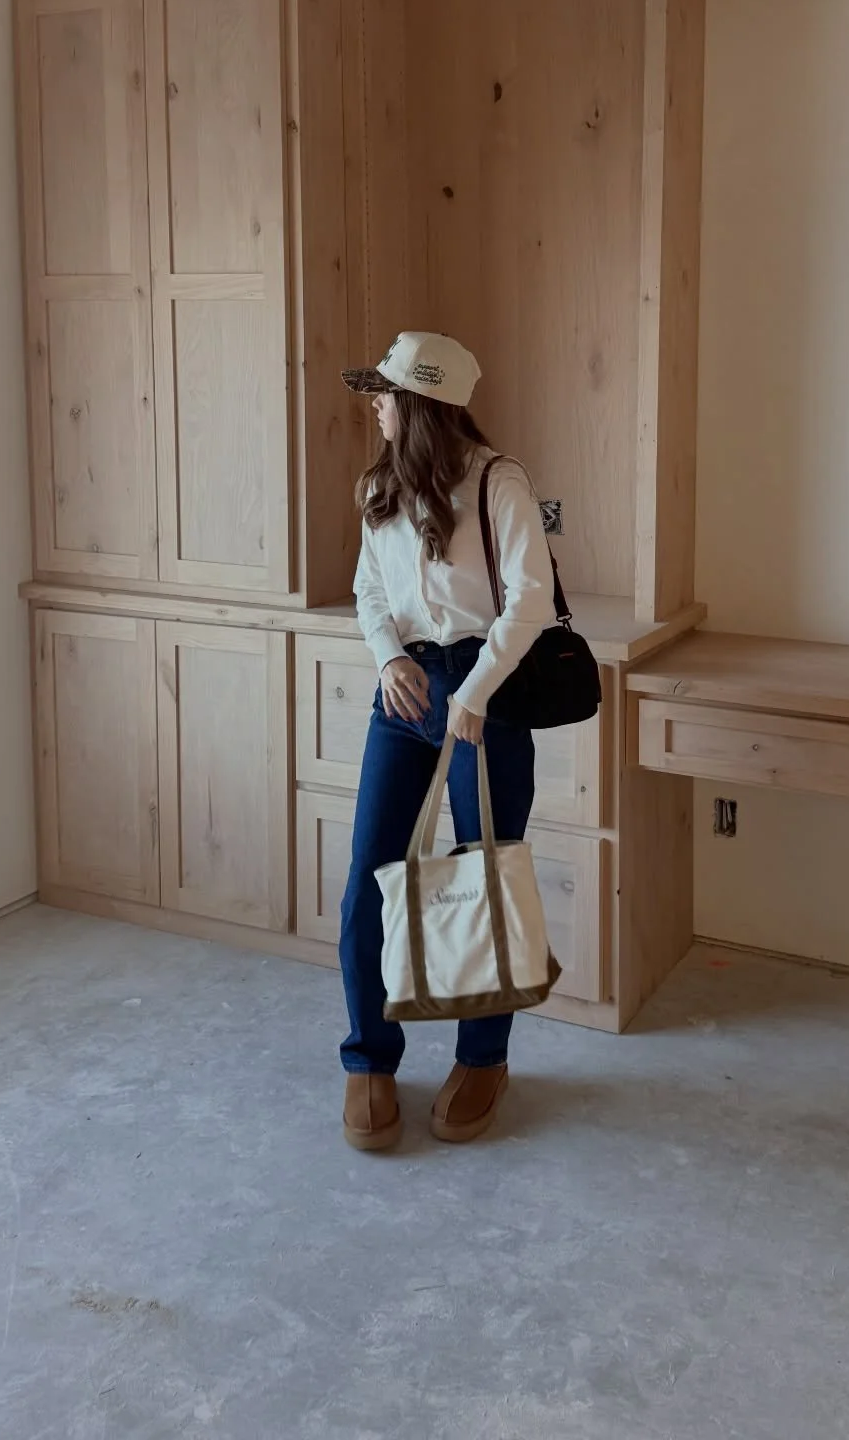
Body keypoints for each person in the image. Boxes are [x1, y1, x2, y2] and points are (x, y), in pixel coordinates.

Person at [337, 330, 555, 1150]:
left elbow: (530, 600)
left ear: (419, 404)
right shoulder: (378, 489)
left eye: (386, 394)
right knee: (370, 874)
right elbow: (368, 590)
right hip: (405, 690)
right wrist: (389, 656)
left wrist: (473, 693)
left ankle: (484, 1057)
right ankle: (368, 1060)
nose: (376, 406)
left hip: (485, 688)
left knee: (485, 871)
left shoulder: (500, 482)